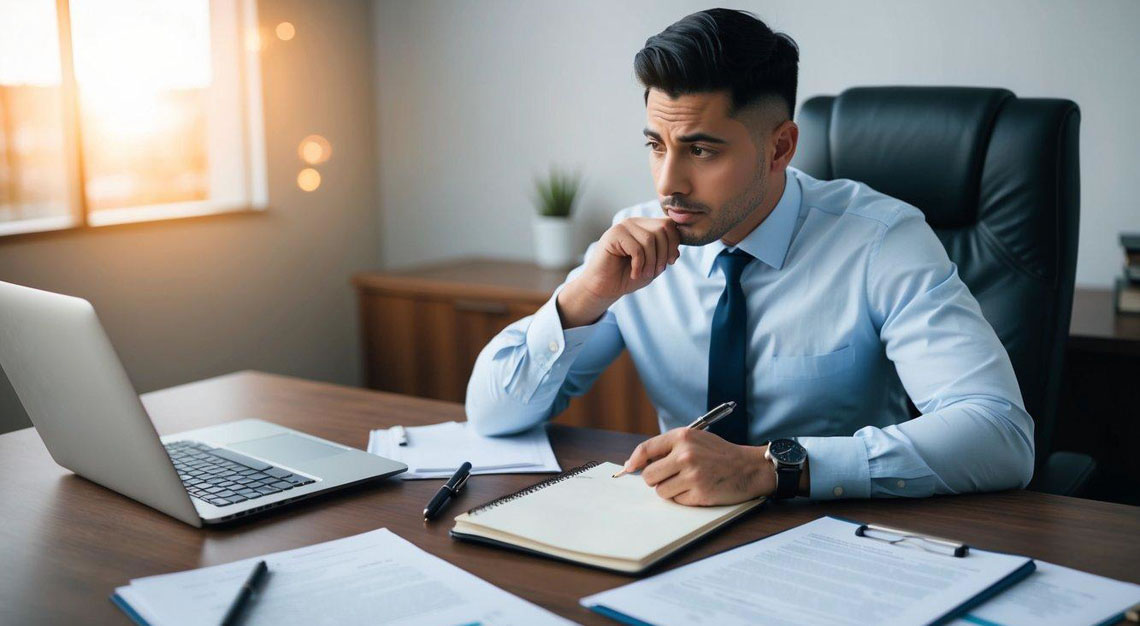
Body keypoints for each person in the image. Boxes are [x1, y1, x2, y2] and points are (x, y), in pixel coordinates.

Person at [465, 8, 1034, 505]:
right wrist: (584, 297)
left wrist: (770, 468)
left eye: (702, 149)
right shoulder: (634, 242)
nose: (669, 183)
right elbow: (492, 415)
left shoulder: (882, 240)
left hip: (842, 530)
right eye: (655, 145)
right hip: (679, 534)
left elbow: (1000, 436)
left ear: (780, 147)